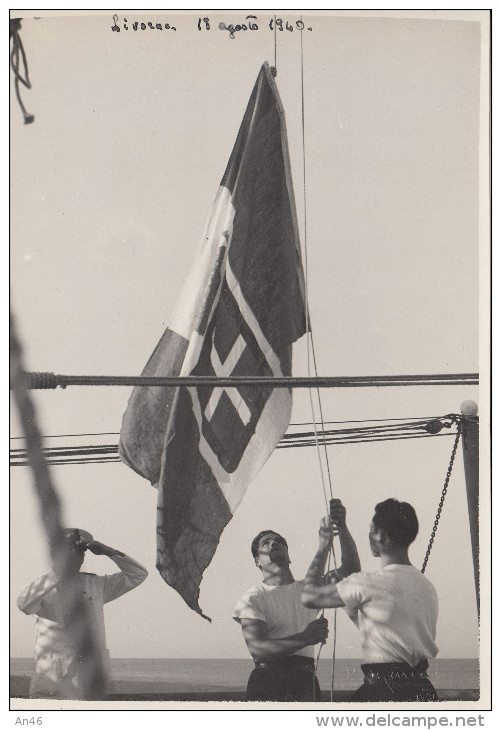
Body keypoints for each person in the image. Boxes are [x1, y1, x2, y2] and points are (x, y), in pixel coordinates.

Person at [302, 499, 439, 702]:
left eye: (370, 530)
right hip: (422, 690)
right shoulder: (427, 586)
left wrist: (323, 547)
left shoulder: (368, 583)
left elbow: (309, 596)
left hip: (383, 691)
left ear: (380, 535)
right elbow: (392, 636)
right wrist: (342, 525)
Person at [233, 500, 361, 702]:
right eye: (265, 543)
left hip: (305, 680)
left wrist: (342, 527)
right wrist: (305, 638)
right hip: (268, 681)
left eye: (278, 541)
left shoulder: (307, 590)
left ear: (289, 556)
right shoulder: (253, 597)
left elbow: (351, 570)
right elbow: (258, 650)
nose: (273, 543)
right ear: (257, 561)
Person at [17, 528, 148, 700]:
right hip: (54, 685)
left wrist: (108, 551)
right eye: (69, 551)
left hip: (90, 681)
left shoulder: (97, 584)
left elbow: (138, 575)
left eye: (80, 552)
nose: (77, 557)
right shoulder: (45, 586)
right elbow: (23, 603)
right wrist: (58, 571)